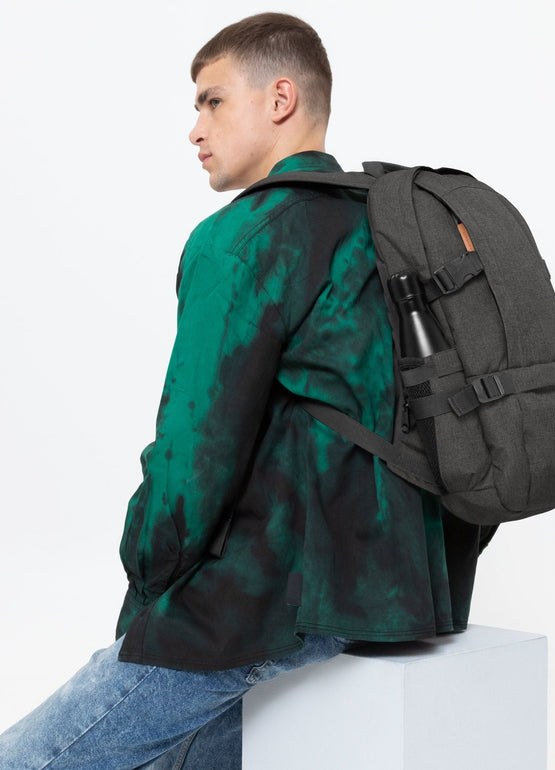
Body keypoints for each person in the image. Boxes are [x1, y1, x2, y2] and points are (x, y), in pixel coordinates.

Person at [0, 12, 494, 769]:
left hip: (266, 598)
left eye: (213, 101)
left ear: (280, 98)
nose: (194, 129)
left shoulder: (246, 237)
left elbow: (193, 452)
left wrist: (147, 579)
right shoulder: (391, 231)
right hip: (401, 591)